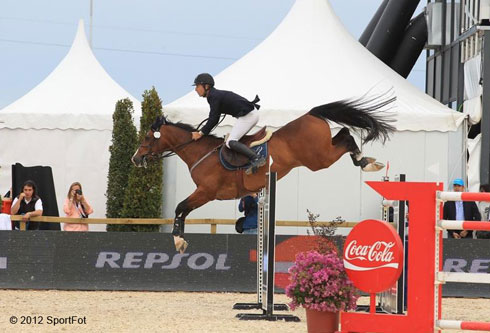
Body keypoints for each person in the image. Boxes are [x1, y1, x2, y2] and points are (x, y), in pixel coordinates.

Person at [191, 73, 266, 174]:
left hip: (249, 115)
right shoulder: (214, 95)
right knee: (232, 140)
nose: (195, 89)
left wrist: (200, 133)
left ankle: (256, 158)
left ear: (206, 86)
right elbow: (214, 118)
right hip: (249, 114)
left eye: (197, 86)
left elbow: (213, 119)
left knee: (230, 142)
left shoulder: (213, 96)